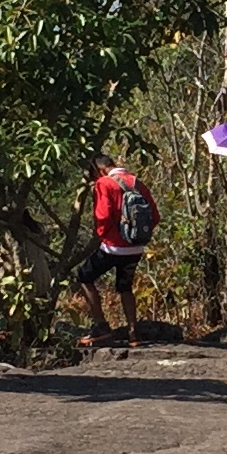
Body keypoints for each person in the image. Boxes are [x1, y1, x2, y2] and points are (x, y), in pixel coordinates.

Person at [76, 150, 155, 350]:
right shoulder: (136, 182)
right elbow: (155, 215)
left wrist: (104, 235)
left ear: (101, 169)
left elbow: (103, 215)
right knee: (125, 287)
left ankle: (101, 326)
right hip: (135, 248)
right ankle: (133, 333)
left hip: (113, 247)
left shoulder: (104, 184)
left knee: (84, 276)